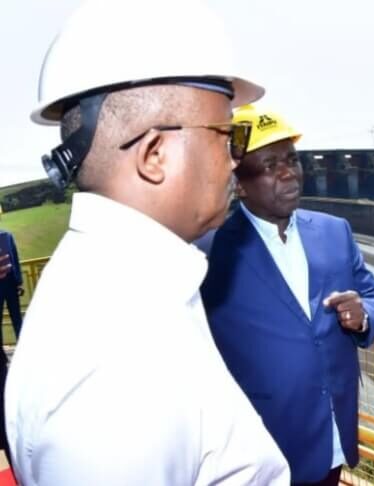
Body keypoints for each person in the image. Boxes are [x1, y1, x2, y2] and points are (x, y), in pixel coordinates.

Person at [4, 1, 290, 484]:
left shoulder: (122, 286)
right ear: (155, 154)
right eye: (228, 137)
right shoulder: (116, 375)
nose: (234, 163)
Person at [201, 104, 374, 485]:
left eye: (291, 160)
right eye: (270, 166)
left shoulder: (336, 232)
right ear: (239, 182)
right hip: (261, 452)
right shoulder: (209, 250)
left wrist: (364, 313)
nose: (288, 172)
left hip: (331, 438)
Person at [0, 231, 23, 339]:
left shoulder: (7, 235)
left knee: (17, 318)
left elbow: (15, 259)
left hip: (11, 283)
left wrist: (19, 282)